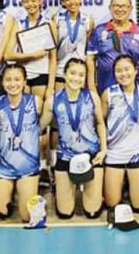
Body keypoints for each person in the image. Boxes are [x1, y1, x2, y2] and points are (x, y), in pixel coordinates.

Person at [39, 58, 107, 219]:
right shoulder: (53, 101)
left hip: (92, 157)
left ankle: (92, 192)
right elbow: (39, 128)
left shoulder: (92, 97)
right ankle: (63, 187)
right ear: (64, 74)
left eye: (81, 75)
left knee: (92, 212)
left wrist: (103, 150)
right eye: (73, 73)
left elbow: (100, 124)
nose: (76, 78)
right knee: (65, 213)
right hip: (66, 157)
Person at [4, 0, 56, 187]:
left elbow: (53, 58)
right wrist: (31, 55)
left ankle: (43, 167)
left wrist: (51, 85)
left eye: (34, 0)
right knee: (25, 122)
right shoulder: (19, 24)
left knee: (41, 126)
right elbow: (9, 55)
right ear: (22, 3)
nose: (31, 4)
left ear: (40, 1)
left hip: (42, 78)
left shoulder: (48, 24)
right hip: (23, 79)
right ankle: (26, 162)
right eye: (27, 1)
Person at [49, 0, 95, 186]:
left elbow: (90, 52)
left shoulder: (88, 20)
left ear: (80, 0)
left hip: (80, 76)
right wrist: (51, 84)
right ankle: (53, 163)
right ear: (63, 2)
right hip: (61, 74)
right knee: (58, 122)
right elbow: (52, 52)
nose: (72, 2)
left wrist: (90, 82)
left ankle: (83, 155)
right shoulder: (56, 20)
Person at [0, 63, 42, 222]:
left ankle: (23, 191)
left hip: (28, 167)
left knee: (26, 216)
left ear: (25, 82)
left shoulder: (36, 102)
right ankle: (9, 194)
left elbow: (43, 130)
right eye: (8, 80)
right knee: (0, 213)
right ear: (2, 82)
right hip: (4, 166)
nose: (13, 84)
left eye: (17, 79)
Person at [101, 54, 139, 212]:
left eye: (127, 69)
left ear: (136, 70)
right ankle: (122, 183)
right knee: (112, 205)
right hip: (114, 153)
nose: (124, 74)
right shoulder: (108, 94)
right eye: (118, 71)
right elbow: (99, 123)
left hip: (137, 153)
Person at [86, 0, 139, 94]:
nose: (120, 9)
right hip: (105, 92)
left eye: (124, 6)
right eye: (116, 6)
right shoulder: (99, 31)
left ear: (130, 8)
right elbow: (90, 59)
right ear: (110, 8)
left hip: (134, 95)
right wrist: (92, 89)